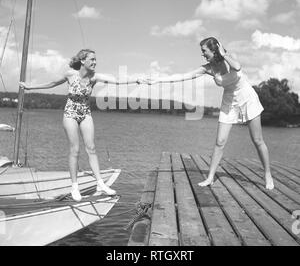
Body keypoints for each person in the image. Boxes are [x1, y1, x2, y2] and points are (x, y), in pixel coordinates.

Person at [146, 37, 274, 190]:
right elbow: (183, 77)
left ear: (214, 50)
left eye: (204, 51)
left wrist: (223, 53)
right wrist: (157, 80)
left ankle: (267, 175)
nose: (203, 54)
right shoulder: (208, 68)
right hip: (229, 102)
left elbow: (238, 67)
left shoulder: (229, 57)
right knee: (220, 142)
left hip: (247, 98)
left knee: (257, 140)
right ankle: (210, 177)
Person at [20, 48, 141, 201]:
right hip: (70, 114)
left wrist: (136, 80)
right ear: (83, 61)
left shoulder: (94, 77)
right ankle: (74, 186)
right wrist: (30, 87)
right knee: (75, 149)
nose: (95, 62)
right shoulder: (71, 74)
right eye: (92, 60)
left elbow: (116, 80)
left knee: (91, 148)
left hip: (85, 114)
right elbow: (52, 83)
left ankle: (100, 184)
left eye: (96, 60)